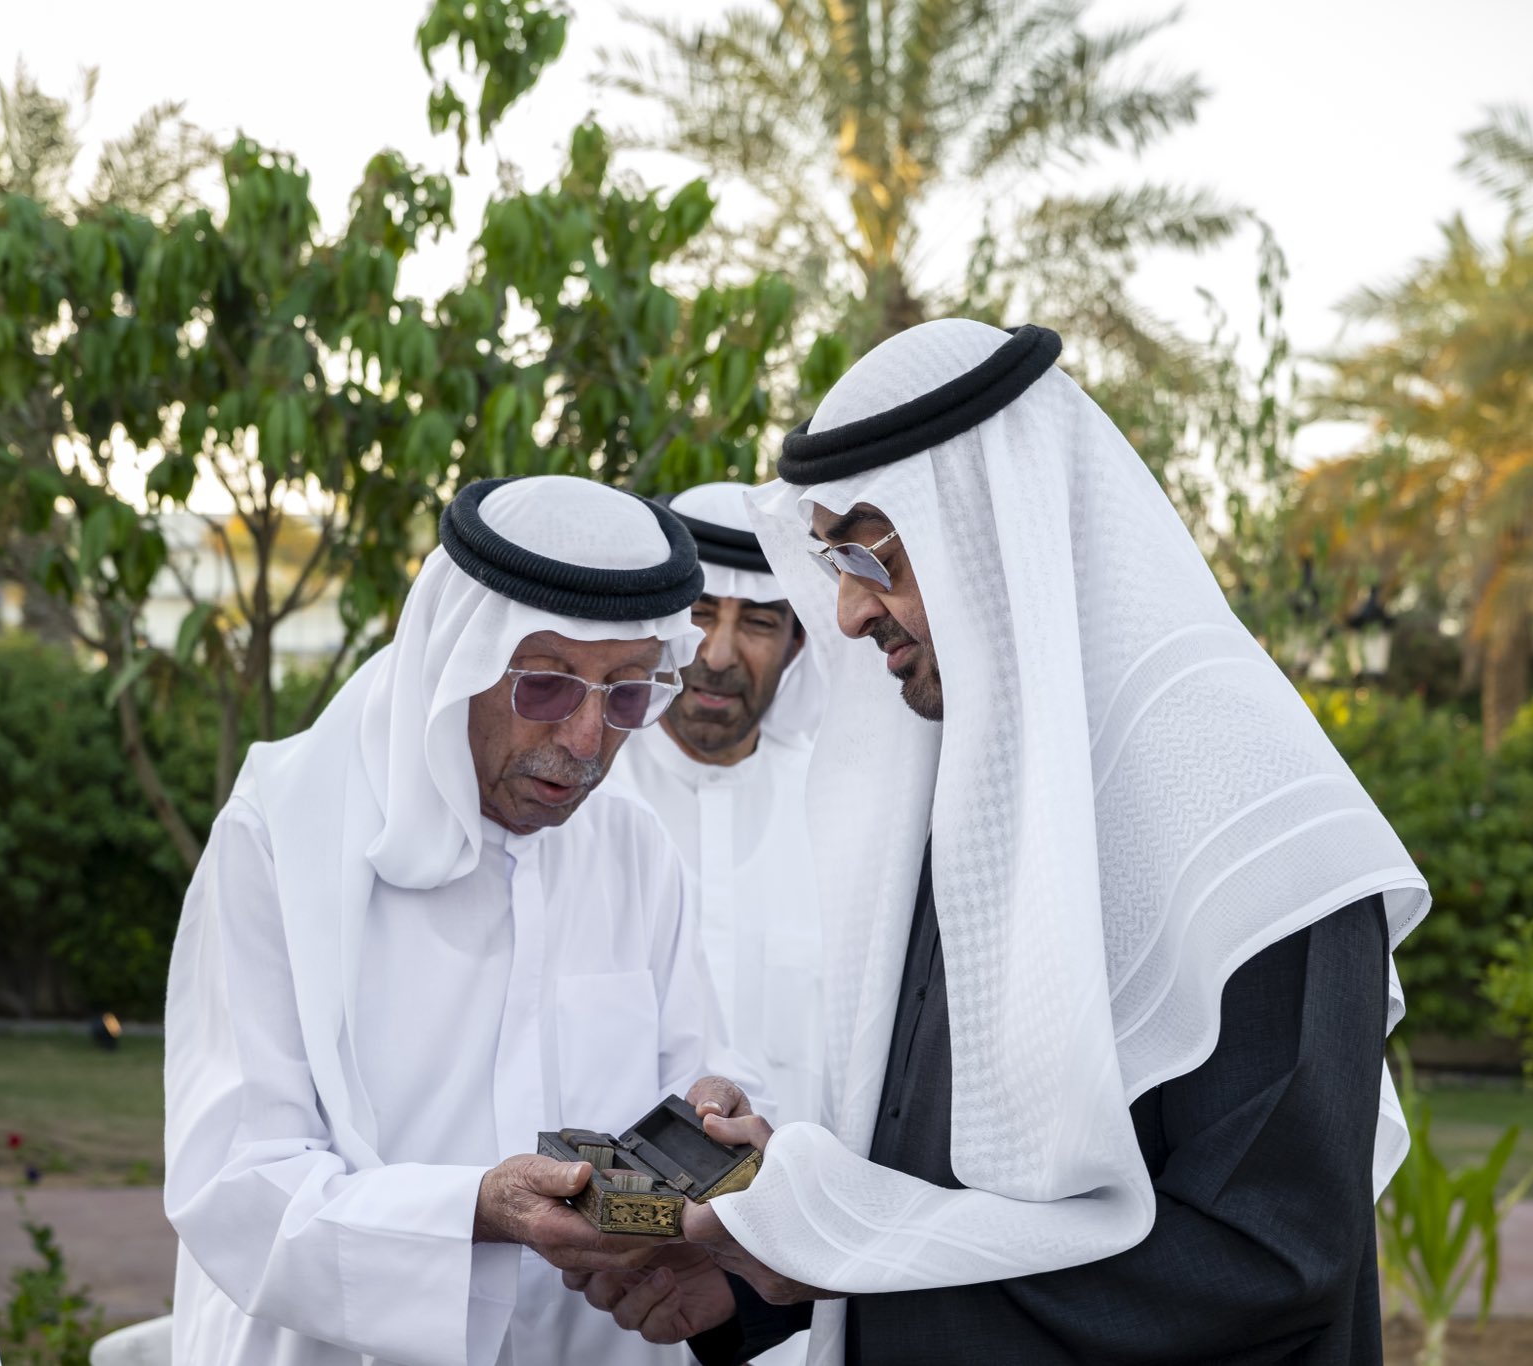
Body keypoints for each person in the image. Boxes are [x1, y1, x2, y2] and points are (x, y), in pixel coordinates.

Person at [569, 319, 1432, 1364]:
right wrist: (760, 1263)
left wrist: (837, 1246)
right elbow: (942, 1183)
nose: (846, 614)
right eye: (831, 561)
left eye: (871, 555)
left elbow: (1263, 1261)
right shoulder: (958, 800)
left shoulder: (1243, 812)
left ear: (993, 528)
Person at [163, 474, 762, 1366]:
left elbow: (685, 1078)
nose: (588, 742)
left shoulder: (632, 846)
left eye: (627, 693)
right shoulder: (279, 837)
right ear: (457, 661)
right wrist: (474, 1212)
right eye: (547, 686)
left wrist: (712, 1120)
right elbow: (235, 1183)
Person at [611, 482, 830, 1132]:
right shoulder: (591, 801)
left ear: (797, 643)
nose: (718, 653)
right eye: (701, 614)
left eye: (758, 622)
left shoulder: (834, 810)